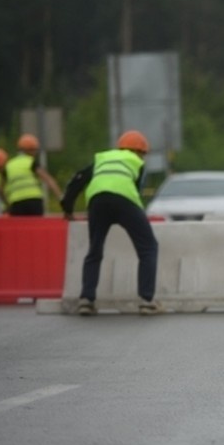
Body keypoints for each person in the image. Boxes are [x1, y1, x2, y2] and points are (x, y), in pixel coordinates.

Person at [60, 130, 162, 316]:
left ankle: (86, 300)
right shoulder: (136, 162)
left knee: (95, 250)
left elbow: (78, 180)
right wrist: (135, 216)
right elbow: (136, 190)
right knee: (148, 247)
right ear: (140, 151)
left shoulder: (103, 158)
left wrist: (68, 208)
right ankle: (147, 301)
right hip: (125, 200)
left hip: (97, 201)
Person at [2, 133, 63, 216]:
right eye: (33, 150)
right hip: (34, 201)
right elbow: (48, 179)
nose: (35, 153)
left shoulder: (9, 165)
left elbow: (0, 189)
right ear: (28, 150)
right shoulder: (31, 162)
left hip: (16, 203)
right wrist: (60, 198)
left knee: (19, 228)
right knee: (37, 227)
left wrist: (7, 204)